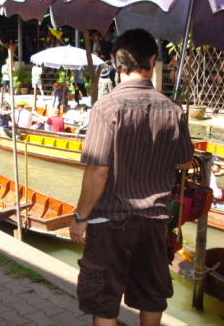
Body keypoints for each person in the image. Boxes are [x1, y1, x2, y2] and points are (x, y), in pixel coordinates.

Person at [69, 29, 194, 326]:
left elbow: (98, 169)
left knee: (105, 303)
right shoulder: (174, 110)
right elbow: (185, 161)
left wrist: (80, 216)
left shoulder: (106, 107)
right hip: (154, 221)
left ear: (115, 60)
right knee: (152, 296)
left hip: (110, 221)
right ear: (152, 59)